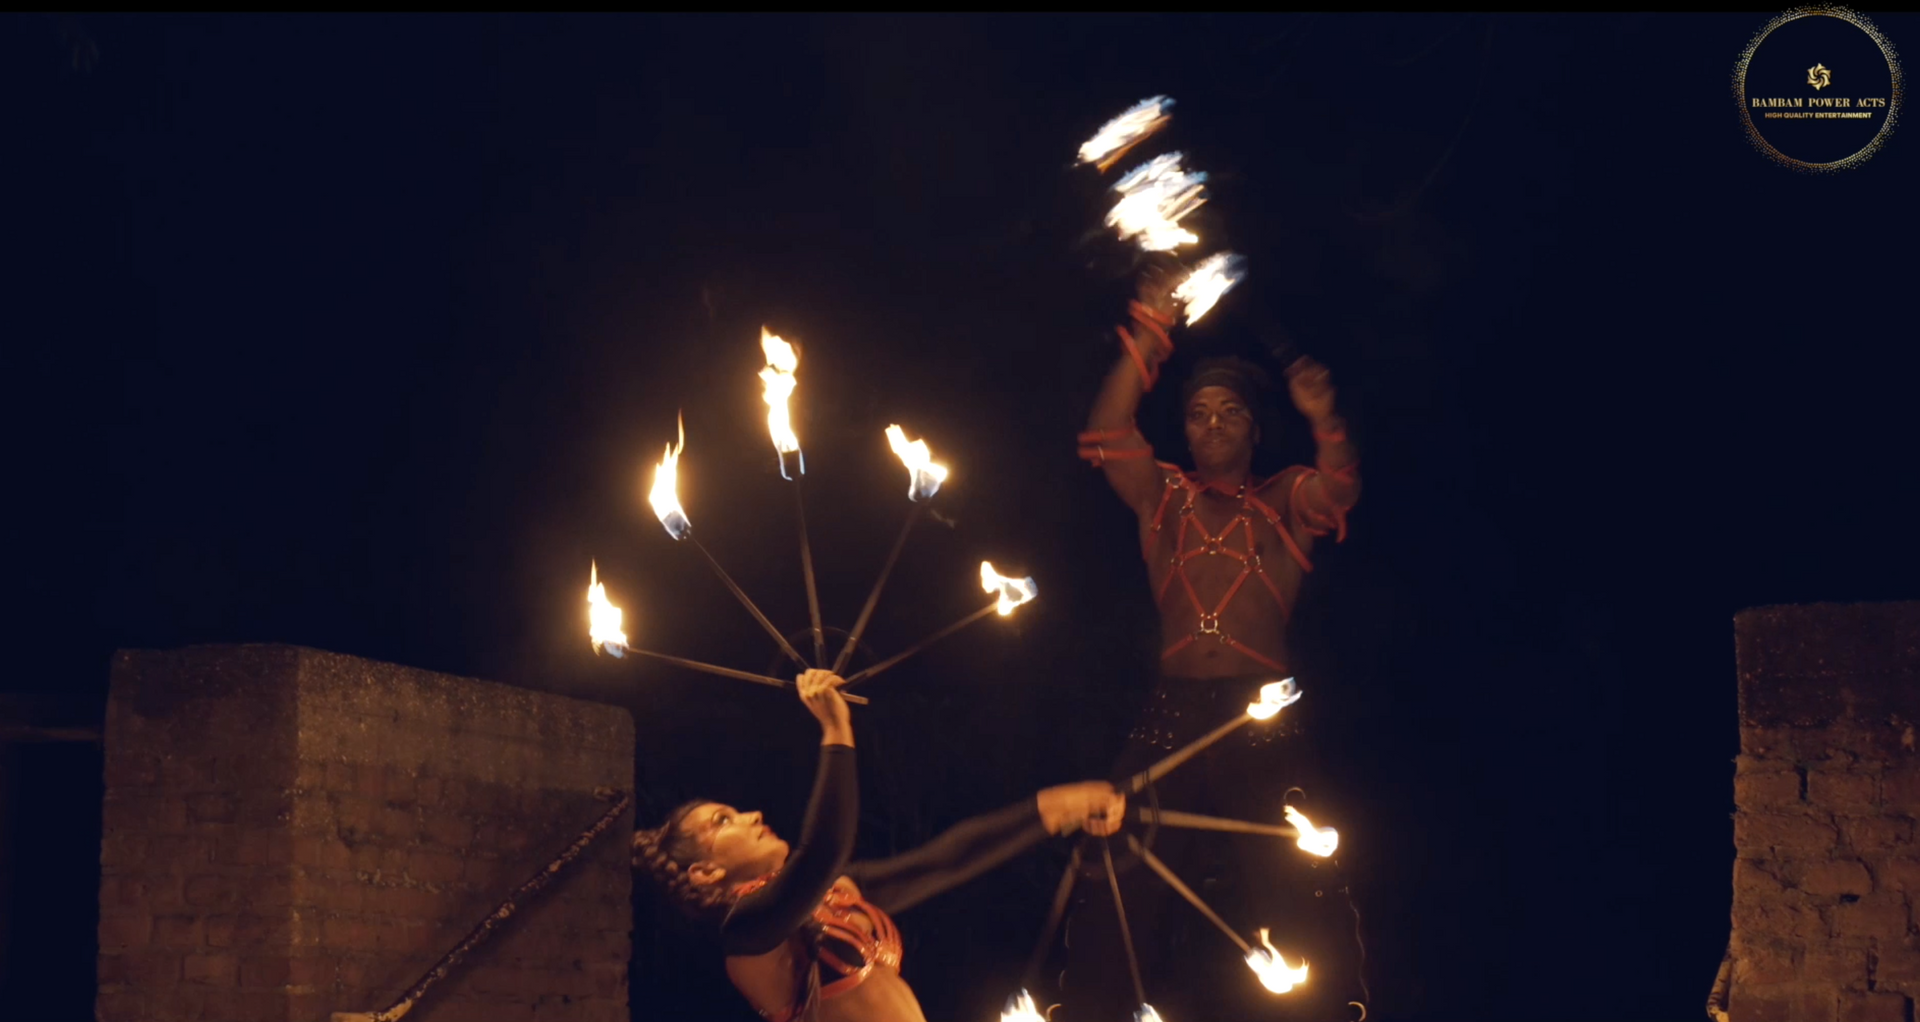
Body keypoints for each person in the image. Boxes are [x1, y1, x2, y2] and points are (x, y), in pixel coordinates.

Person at [1061, 271, 1364, 1021]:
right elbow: (1106, 429)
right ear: (1187, 430)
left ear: (1255, 428)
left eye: (1230, 412)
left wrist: (1325, 418)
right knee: (1118, 856)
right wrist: (1150, 329)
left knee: (1299, 879)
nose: (1213, 423)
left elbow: (1340, 491)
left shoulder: (1285, 496)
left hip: (1259, 719)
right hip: (1173, 713)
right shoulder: (1163, 496)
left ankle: (1334, 1011)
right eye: (1198, 414)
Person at [633, 669, 1128, 1022]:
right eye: (723, 821)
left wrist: (1056, 807)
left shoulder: (837, 896)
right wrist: (835, 729)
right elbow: (821, 852)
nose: (752, 815)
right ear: (704, 872)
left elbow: (944, 862)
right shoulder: (744, 932)